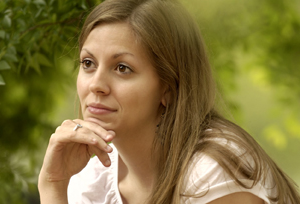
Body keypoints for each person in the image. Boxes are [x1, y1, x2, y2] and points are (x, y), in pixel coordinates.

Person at [38, 0, 300, 203]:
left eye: (122, 68)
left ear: (169, 88)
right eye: (88, 63)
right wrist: (53, 184)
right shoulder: (93, 176)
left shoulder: (213, 173)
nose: (95, 84)